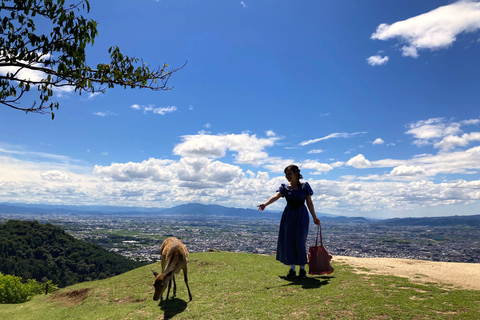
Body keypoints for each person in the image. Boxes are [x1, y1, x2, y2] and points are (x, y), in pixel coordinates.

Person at [257, 164, 321, 279]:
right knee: (289, 241)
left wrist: (314, 217)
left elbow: (309, 203)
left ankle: (302, 270)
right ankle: (292, 269)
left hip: (301, 215)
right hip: (289, 215)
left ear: (296, 174)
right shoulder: (285, 187)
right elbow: (276, 195)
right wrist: (265, 203)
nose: (287, 177)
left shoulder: (305, 186)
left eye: (289, 174)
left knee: (300, 241)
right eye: (286, 174)